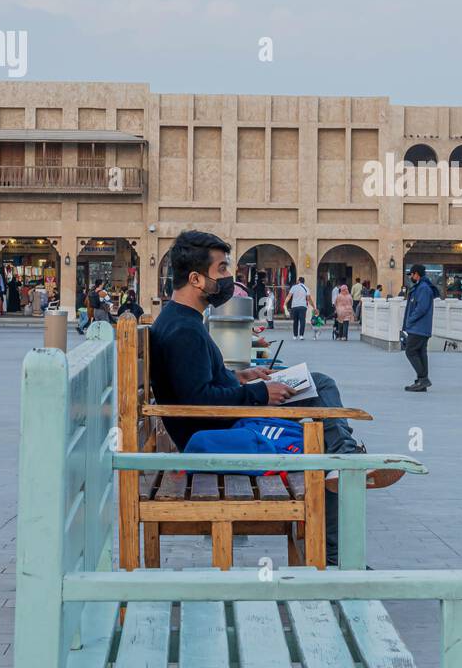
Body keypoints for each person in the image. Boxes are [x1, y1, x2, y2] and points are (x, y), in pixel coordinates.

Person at [149, 230, 365, 566]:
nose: (227, 279)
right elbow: (199, 401)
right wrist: (260, 393)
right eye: (221, 270)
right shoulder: (184, 330)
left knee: (317, 387)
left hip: (226, 421)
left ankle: (344, 460)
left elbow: (196, 383)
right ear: (196, 278)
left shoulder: (180, 320)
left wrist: (241, 376)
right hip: (221, 433)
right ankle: (338, 535)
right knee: (321, 431)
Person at [401, 263, 439, 392]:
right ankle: (421, 380)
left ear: (416, 274)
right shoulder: (420, 287)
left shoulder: (423, 288)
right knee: (420, 352)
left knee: (410, 351)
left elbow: (421, 308)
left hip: (419, 327)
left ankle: (423, 378)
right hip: (420, 327)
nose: (410, 277)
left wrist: (410, 320)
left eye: (411, 274)